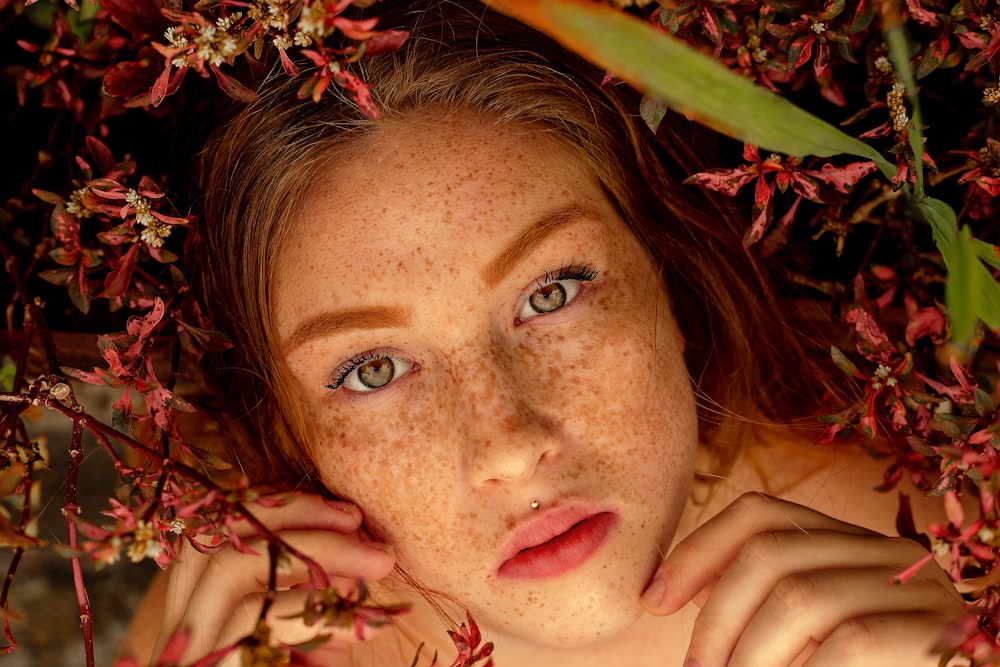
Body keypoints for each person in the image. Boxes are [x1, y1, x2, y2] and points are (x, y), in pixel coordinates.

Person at [121, 1, 966, 665]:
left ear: (667, 270)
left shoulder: (940, 548)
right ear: (289, 433)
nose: (509, 445)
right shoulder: (255, 634)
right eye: (372, 368)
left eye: (551, 292)